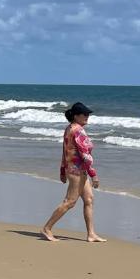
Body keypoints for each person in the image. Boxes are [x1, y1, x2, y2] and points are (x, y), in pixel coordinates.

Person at [41, 102, 106, 243]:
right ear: (76, 116)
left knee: (89, 200)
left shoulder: (69, 129)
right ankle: (47, 228)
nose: (87, 117)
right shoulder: (78, 131)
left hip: (75, 170)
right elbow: (85, 155)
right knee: (70, 202)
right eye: (85, 114)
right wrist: (93, 174)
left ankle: (91, 234)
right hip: (77, 171)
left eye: (88, 114)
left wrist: (62, 170)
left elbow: (65, 151)